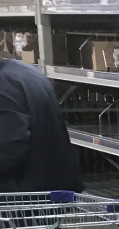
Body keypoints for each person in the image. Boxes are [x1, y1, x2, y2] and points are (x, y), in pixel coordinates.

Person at [0, 55, 83, 192]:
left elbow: (9, 148)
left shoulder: (4, 86)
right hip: (54, 186)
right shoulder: (24, 72)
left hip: (25, 191)